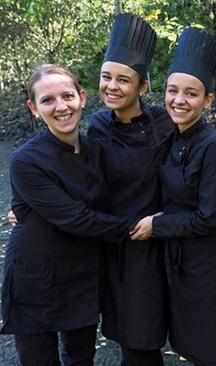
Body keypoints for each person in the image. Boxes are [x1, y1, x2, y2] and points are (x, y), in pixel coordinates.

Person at [131, 27, 216, 365]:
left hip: (213, 268)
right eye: (172, 91)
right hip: (182, 263)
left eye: (191, 93)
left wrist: (158, 225)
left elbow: (209, 216)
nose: (179, 100)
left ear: (207, 100)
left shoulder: (215, 149)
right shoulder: (172, 137)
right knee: (195, 347)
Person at [0, 64, 136, 366]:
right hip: (34, 275)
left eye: (67, 96)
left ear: (82, 98)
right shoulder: (25, 160)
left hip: (81, 272)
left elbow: (113, 197)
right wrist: (138, 228)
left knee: (80, 359)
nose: (61, 107)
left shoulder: (95, 150)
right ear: (33, 108)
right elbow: (78, 218)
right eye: (48, 100)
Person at [86, 13, 174, 366]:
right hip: (118, 244)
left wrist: (171, 218)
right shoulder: (96, 126)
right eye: (106, 77)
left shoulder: (165, 123)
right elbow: (80, 177)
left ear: (143, 87)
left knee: (149, 337)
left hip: (161, 239)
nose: (111, 86)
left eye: (124, 80)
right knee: (133, 339)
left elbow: (185, 174)